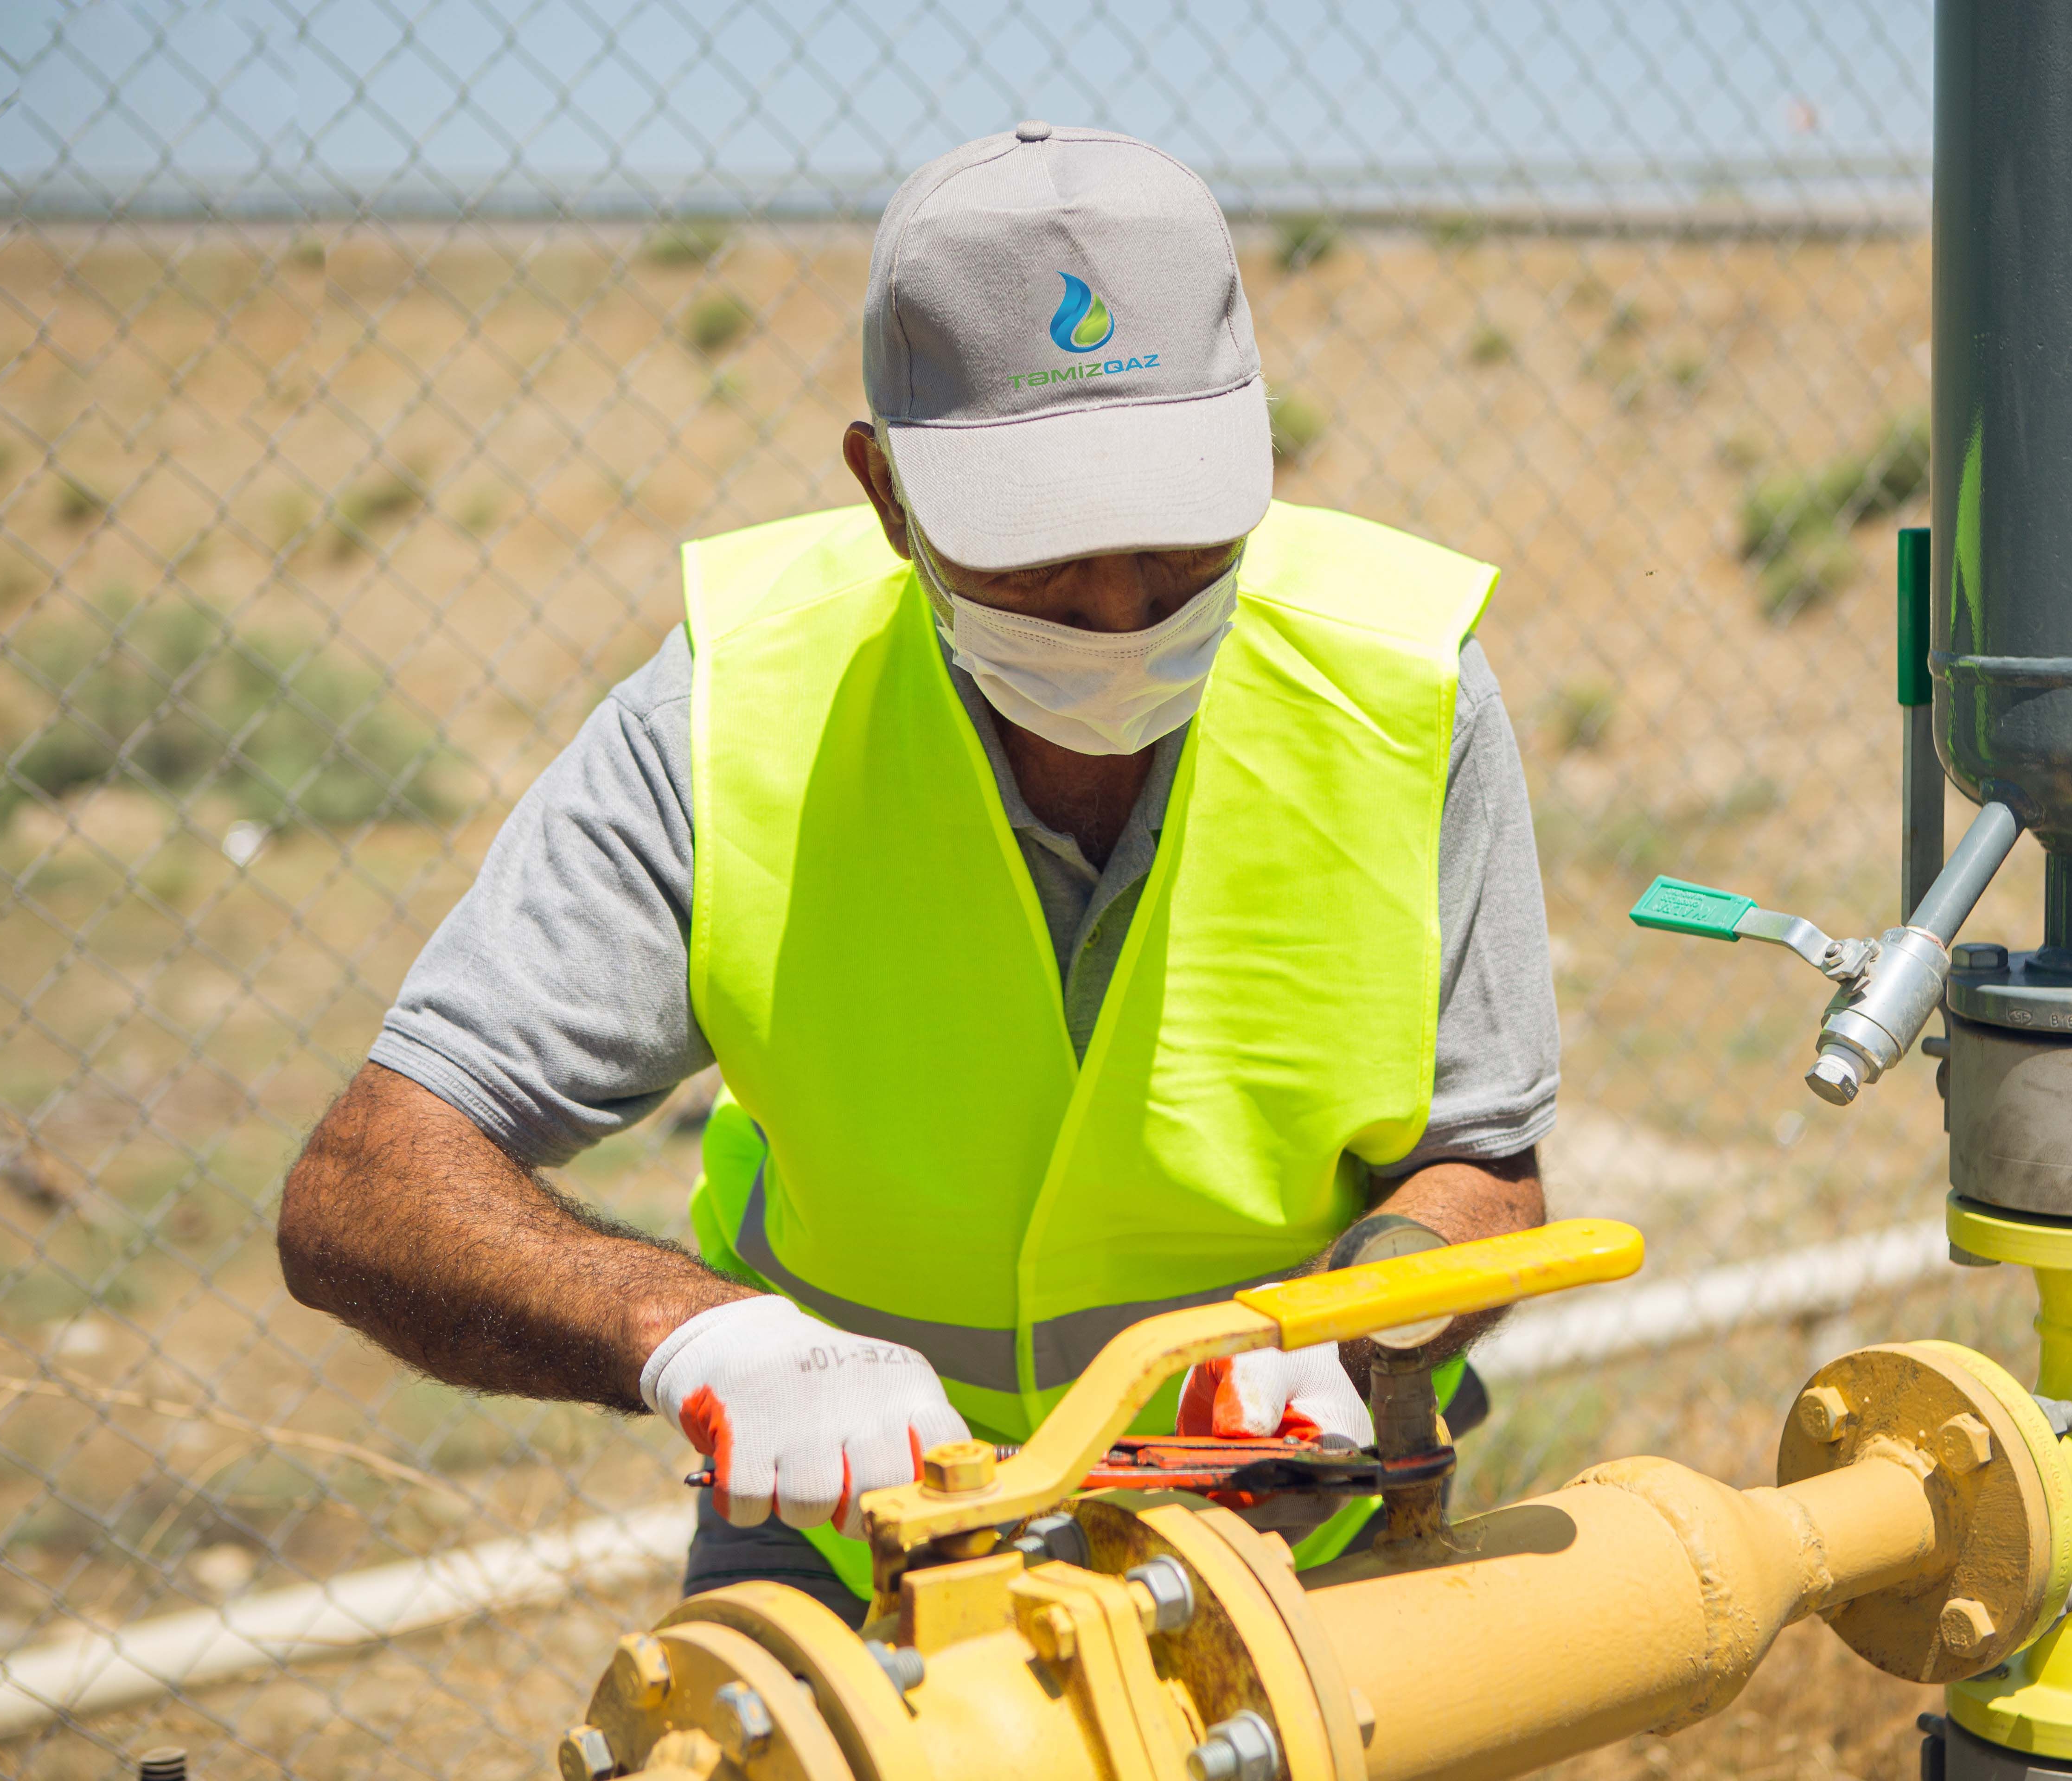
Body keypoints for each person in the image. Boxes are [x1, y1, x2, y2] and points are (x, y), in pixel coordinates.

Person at [276, 122, 1558, 1622]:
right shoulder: (735, 708)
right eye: (1038, 563)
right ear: (886, 496)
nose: (1122, 613)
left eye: (1181, 545)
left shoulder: (1409, 686)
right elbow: (363, 1186)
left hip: (1296, 1546)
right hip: (863, 1553)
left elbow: (1489, 1166)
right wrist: (697, 1337)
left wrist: (1358, 1322)